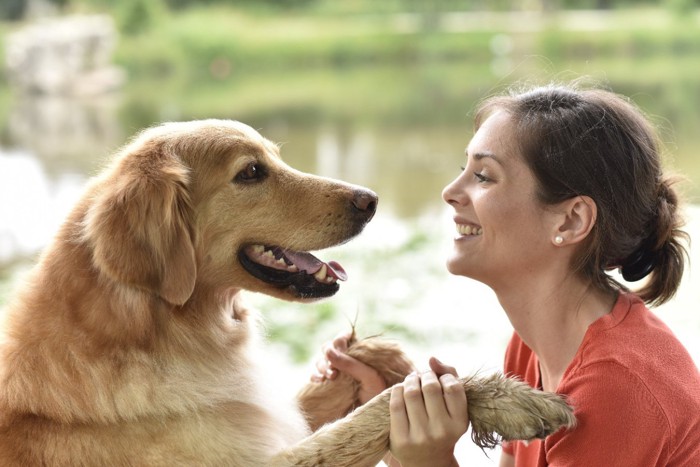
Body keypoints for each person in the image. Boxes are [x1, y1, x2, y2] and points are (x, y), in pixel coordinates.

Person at [313, 82, 700, 466]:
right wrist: (392, 418)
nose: (450, 191)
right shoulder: (534, 344)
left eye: (484, 176)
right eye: (463, 169)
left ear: (571, 219)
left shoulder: (615, 385)